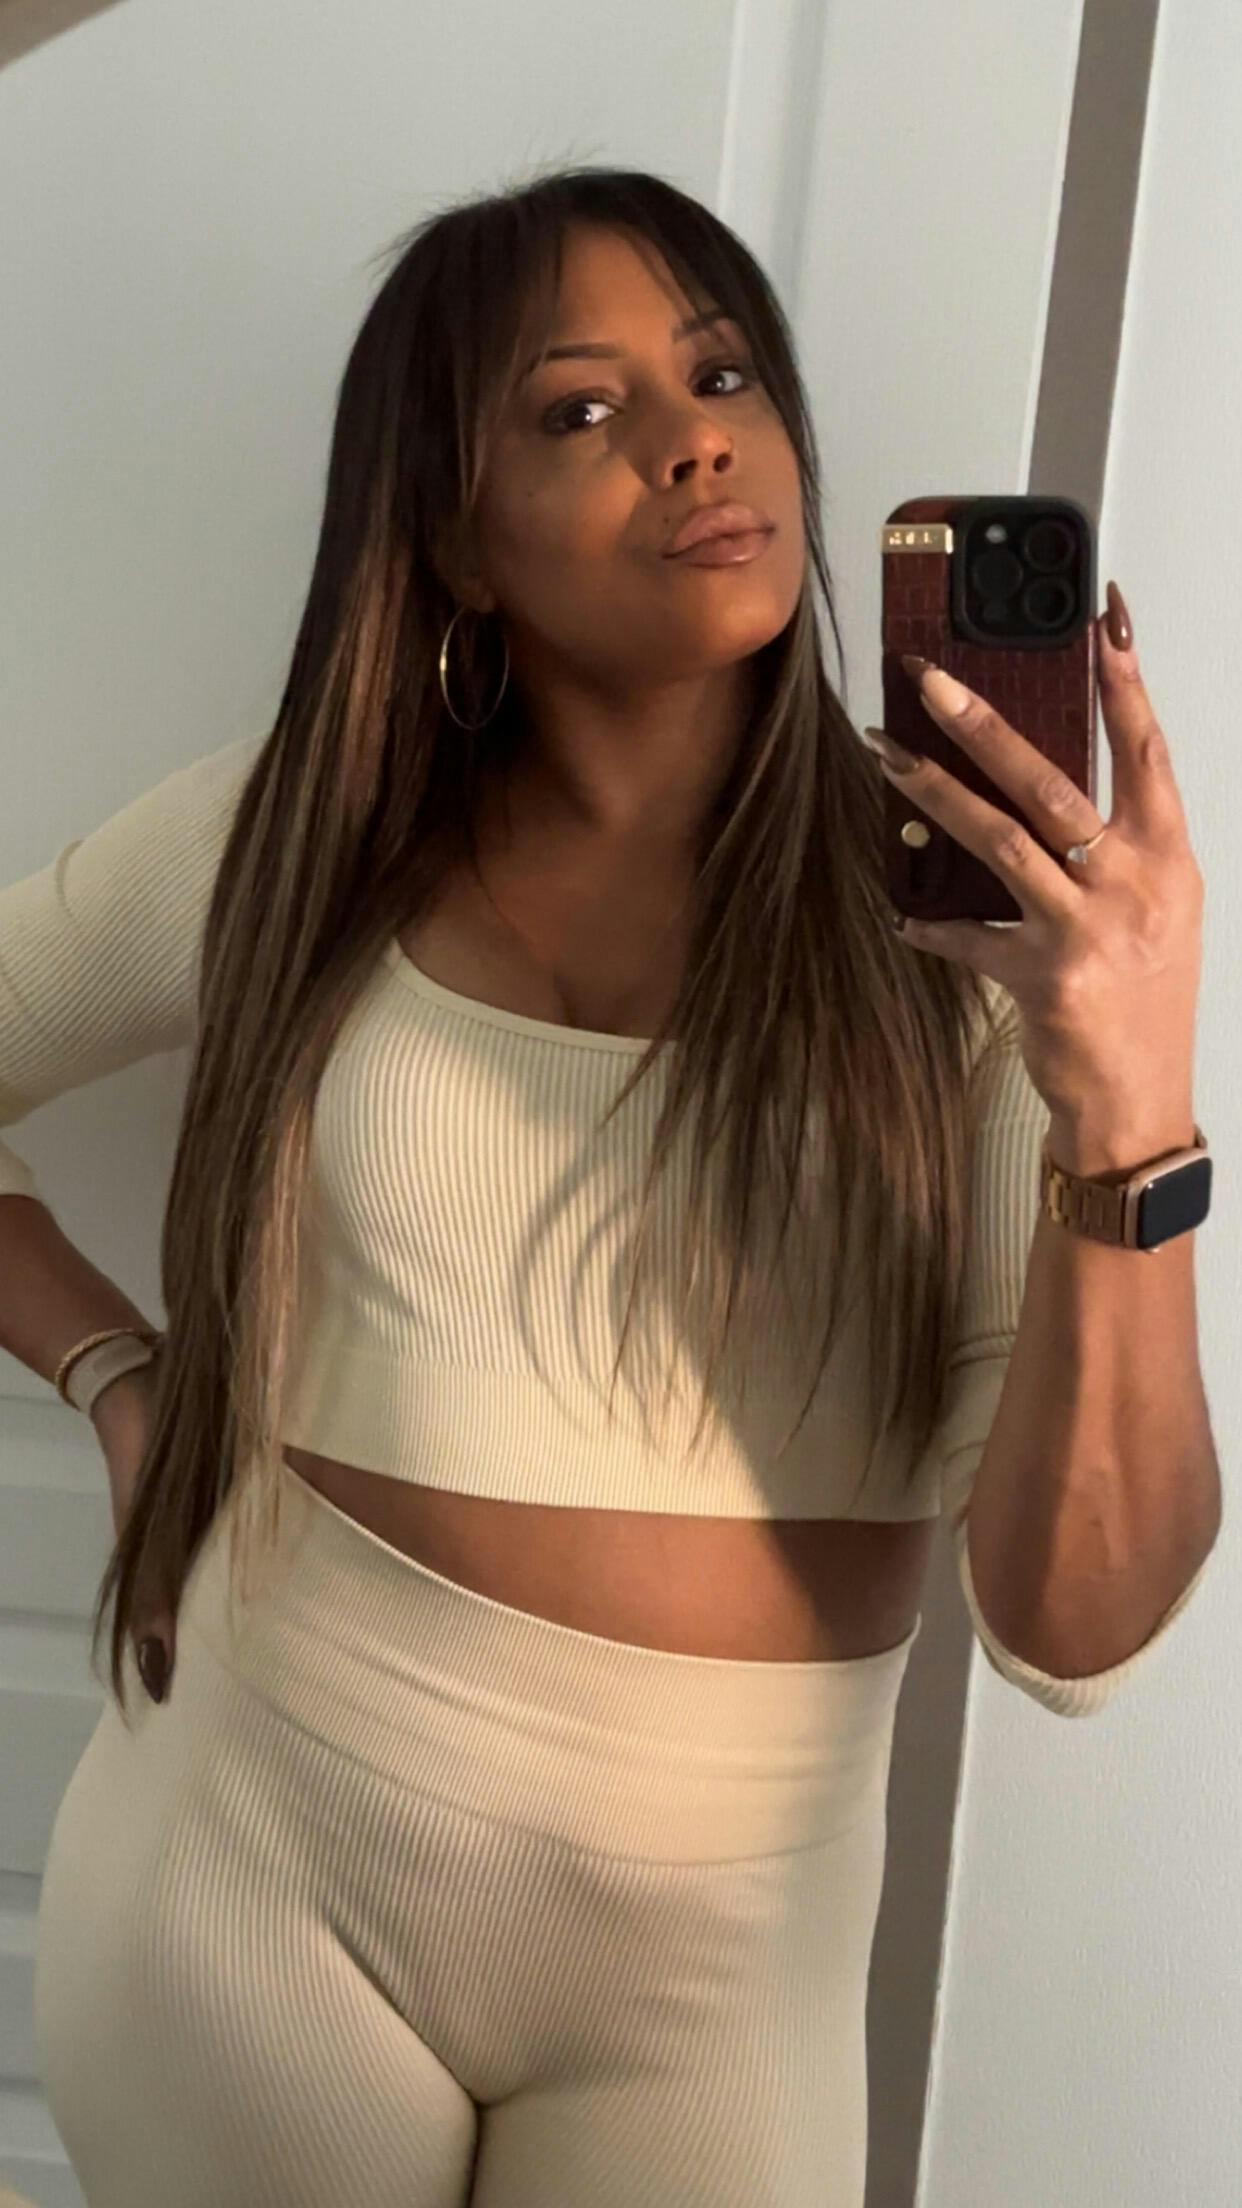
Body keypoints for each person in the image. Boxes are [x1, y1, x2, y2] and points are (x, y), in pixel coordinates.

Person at [1, 166, 1206, 2208]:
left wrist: (1132, 1101)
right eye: (580, 407)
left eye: (723, 374)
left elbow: (1074, 1636)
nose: (694, 439)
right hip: (255, 1863)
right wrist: (118, 1375)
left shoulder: (984, 944)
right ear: (453, 541)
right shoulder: (291, 840)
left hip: (727, 1955)